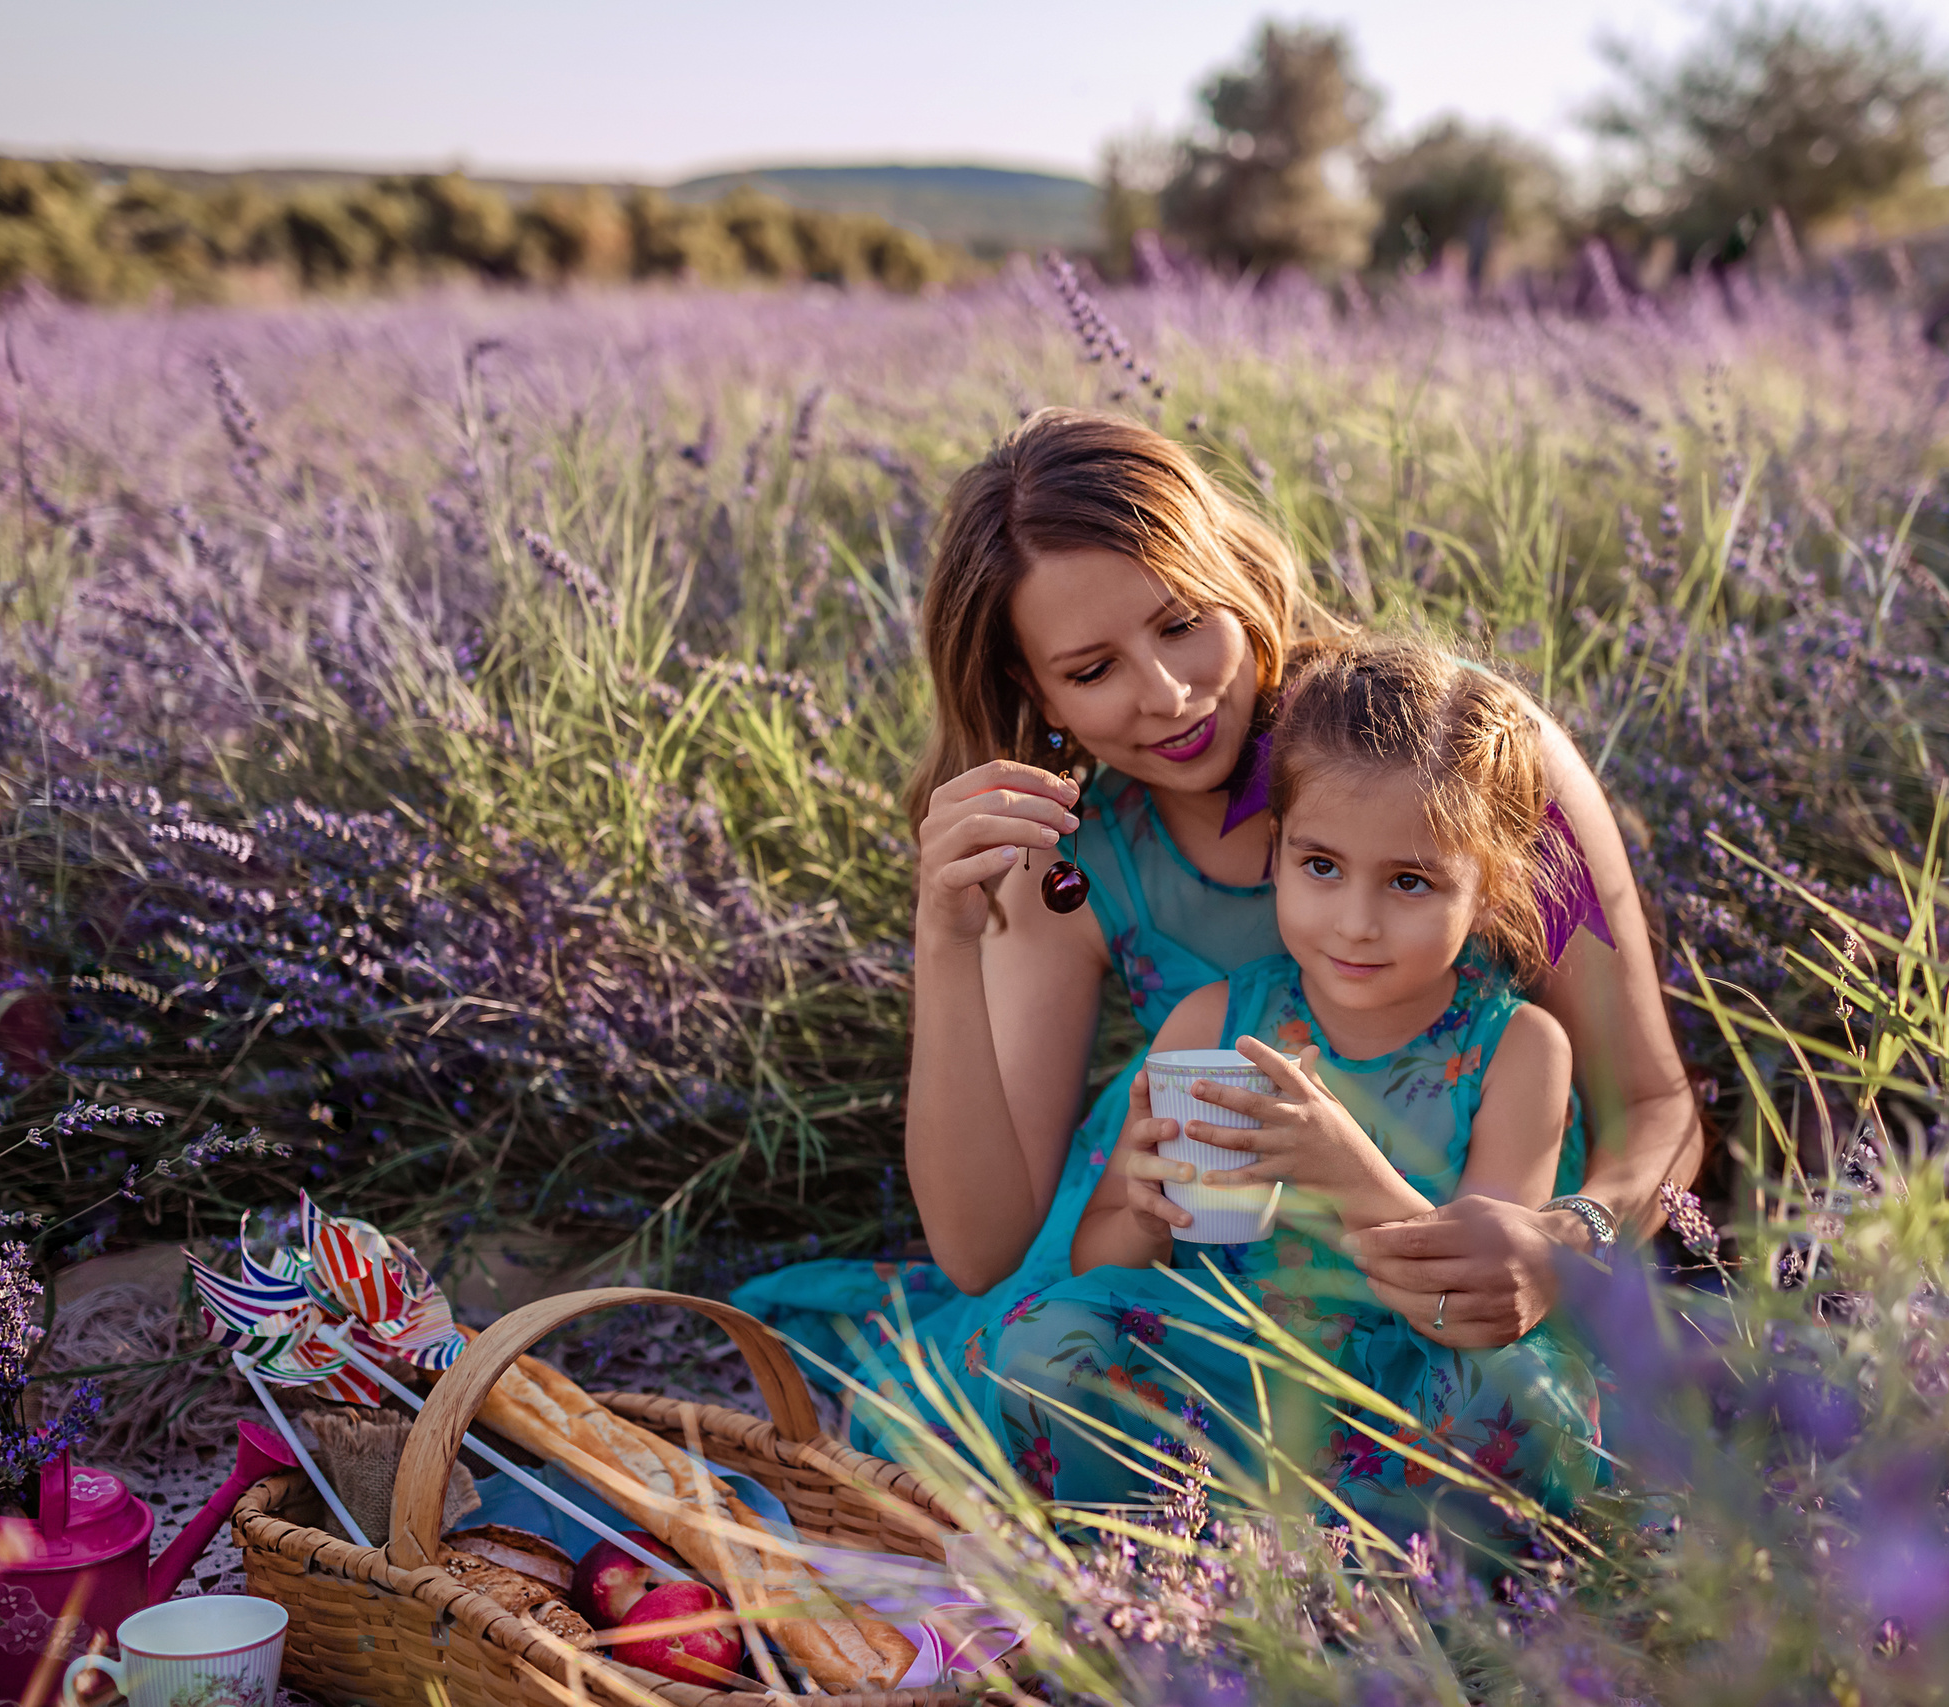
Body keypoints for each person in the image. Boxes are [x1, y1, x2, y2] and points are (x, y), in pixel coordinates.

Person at [727, 409, 1699, 1452]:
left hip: (1475, 1278)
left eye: (1184, 620)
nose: (1169, 693)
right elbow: (985, 1253)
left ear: (1238, 576)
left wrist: (1572, 1238)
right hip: (1221, 1300)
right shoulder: (1077, 861)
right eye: (1092, 670)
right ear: (1033, 691)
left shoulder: (1463, 756)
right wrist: (945, 939)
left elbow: (1652, 1103)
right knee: (1029, 1377)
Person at [998, 637, 1601, 1549]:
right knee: (1044, 1342)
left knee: (1523, 1402)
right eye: (1321, 866)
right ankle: (1173, 1562)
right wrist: (1148, 1215)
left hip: (1404, 1385)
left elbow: (1478, 1309)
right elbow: (1102, 1256)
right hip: (1233, 1372)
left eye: (1410, 882)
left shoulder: (1518, 1048)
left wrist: (1352, 1173)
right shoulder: (1213, 1021)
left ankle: (1379, 1577)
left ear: (1488, 890)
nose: (1355, 921)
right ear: (1276, 853)